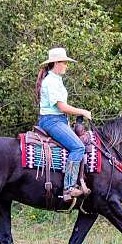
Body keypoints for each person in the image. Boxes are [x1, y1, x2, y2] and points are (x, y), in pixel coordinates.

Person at [35, 47, 92, 201]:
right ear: (57, 63)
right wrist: (82, 111)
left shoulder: (56, 79)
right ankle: (69, 187)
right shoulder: (51, 81)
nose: (66, 65)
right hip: (52, 120)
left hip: (58, 120)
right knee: (78, 147)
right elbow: (61, 107)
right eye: (65, 62)